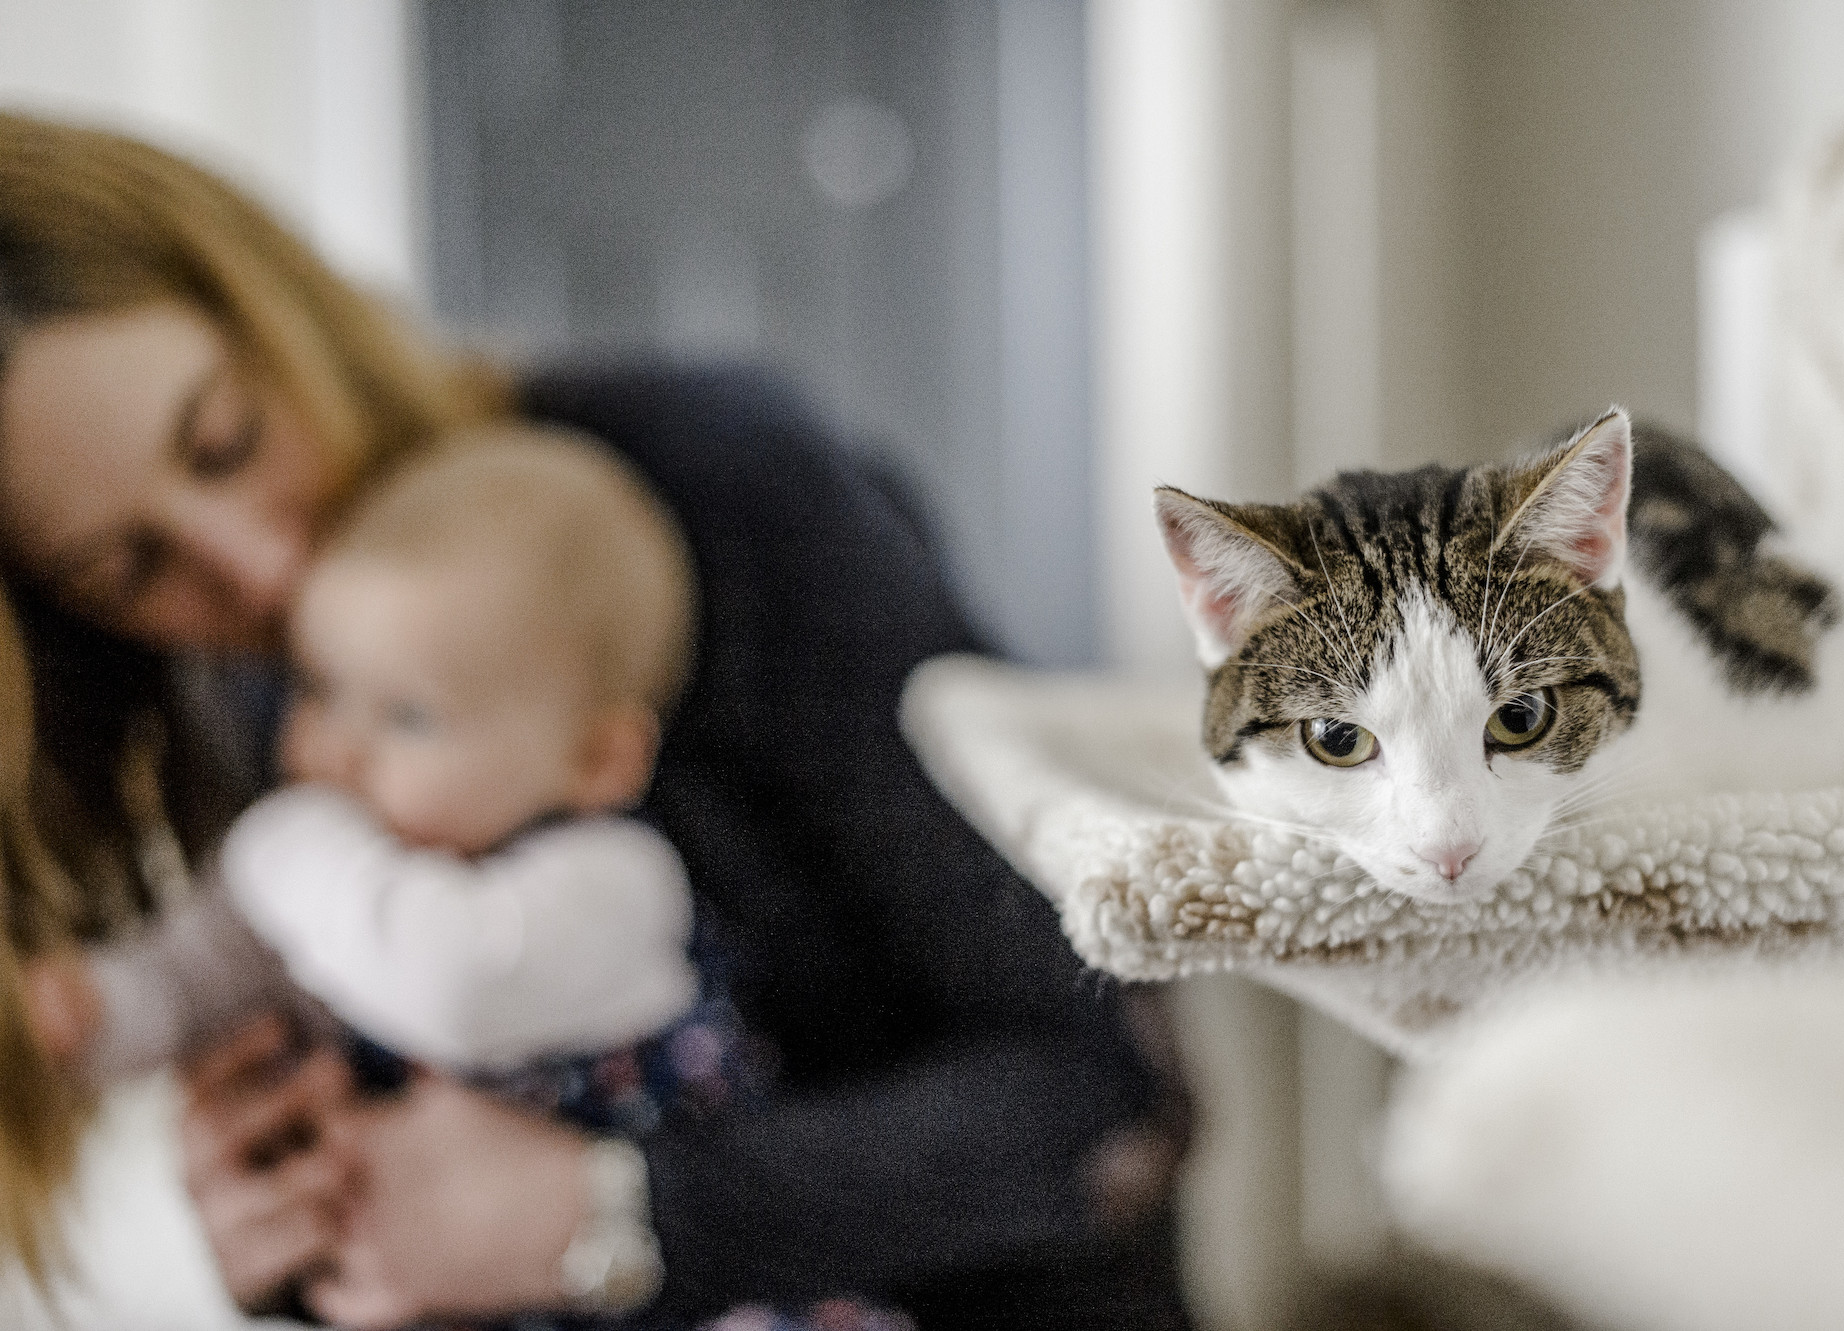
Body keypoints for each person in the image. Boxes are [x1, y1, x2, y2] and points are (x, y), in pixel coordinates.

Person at [0, 111, 1193, 1328]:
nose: (256, 566)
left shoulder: (707, 480)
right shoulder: (255, 707)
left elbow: (1104, 1096)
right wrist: (302, 1240)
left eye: (225, 438)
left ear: (278, 300)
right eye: (127, 566)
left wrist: (604, 1213)